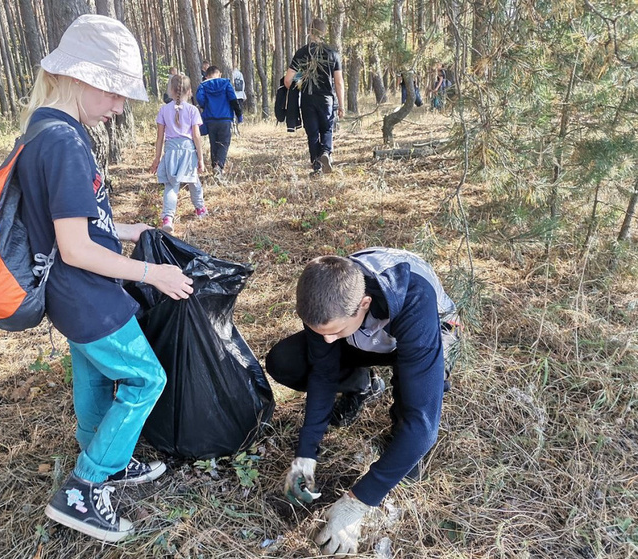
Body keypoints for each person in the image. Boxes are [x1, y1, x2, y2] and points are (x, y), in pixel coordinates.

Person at [16, 14, 193, 542]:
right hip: (87, 293)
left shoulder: (45, 129)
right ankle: (86, 487)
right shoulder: (65, 144)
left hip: (66, 296)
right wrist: (151, 272)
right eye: (115, 93)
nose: (119, 107)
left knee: (94, 377)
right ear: (83, 78)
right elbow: (75, 247)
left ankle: (106, 458)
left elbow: (75, 221)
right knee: (145, 379)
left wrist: (126, 227)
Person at [266, 249, 461, 555]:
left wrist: (357, 503)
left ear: (365, 303)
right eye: (322, 333)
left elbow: (423, 427)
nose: (328, 340)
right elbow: (323, 372)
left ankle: (397, 391)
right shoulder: (326, 293)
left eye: (335, 332)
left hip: (426, 331)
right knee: (286, 361)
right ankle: (362, 383)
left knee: (408, 449)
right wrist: (306, 453)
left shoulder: (414, 299)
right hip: (365, 334)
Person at [284, 18, 344, 177]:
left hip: (307, 99)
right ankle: (325, 152)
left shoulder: (302, 52)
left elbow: (288, 81)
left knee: (312, 133)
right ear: (324, 33)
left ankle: (317, 167)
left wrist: (301, 78)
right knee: (327, 129)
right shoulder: (332, 53)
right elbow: (338, 82)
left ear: (309, 31)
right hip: (327, 99)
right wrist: (342, 105)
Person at [150, 73, 207, 234]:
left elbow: (160, 137)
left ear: (170, 91)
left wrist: (157, 158)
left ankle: (168, 217)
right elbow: (196, 136)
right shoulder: (193, 110)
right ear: (189, 92)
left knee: (171, 185)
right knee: (193, 181)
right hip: (188, 151)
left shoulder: (163, 110)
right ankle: (200, 208)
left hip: (171, 151)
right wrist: (200, 158)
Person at [195, 65, 243, 179]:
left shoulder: (203, 85)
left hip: (211, 119)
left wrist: (206, 106)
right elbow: (233, 100)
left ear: (207, 76)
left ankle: (214, 166)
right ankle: (219, 165)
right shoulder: (226, 83)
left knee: (214, 143)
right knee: (224, 143)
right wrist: (239, 114)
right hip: (225, 119)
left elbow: (200, 99)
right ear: (219, 74)